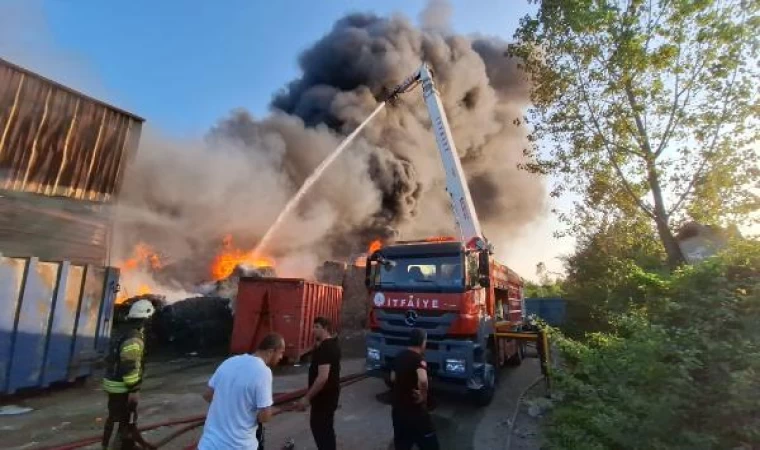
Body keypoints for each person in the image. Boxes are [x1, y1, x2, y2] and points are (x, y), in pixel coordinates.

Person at [198, 333, 288, 450]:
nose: (281, 357)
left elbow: (207, 395)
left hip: (209, 444)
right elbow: (265, 416)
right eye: (280, 353)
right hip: (238, 445)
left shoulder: (230, 362)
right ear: (270, 351)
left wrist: (226, 409)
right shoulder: (263, 372)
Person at [102, 299, 155, 449]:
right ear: (146, 318)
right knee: (120, 418)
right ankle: (113, 446)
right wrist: (134, 389)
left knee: (125, 417)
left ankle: (127, 444)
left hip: (113, 382)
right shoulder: (133, 338)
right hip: (122, 386)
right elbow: (129, 365)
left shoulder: (123, 331)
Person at [296, 317, 342, 450]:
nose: (313, 330)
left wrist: (307, 398)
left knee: (321, 429)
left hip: (324, 398)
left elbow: (322, 378)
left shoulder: (326, 348)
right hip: (329, 397)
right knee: (325, 429)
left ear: (325, 328)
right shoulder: (331, 344)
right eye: (313, 327)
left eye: (317, 327)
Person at [390, 328, 439, 450]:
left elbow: (393, 377)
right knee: (431, 445)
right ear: (422, 342)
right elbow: (423, 380)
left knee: (402, 445)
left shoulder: (399, 356)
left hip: (398, 412)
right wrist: (423, 395)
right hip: (415, 413)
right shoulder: (418, 359)